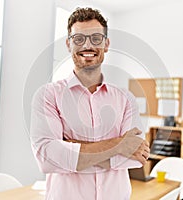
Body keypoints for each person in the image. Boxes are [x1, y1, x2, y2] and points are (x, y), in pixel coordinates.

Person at [30, 7, 150, 200]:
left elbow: (136, 157)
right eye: (79, 39)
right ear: (69, 44)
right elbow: (48, 158)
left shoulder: (126, 98)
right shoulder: (48, 95)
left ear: (106, 44)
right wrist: (120, 144)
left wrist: (70, 149)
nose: (88, 45)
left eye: (96, 38)